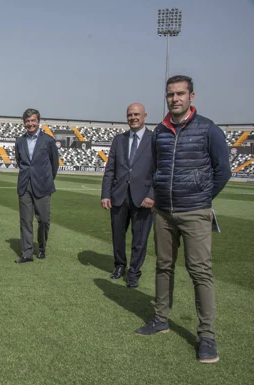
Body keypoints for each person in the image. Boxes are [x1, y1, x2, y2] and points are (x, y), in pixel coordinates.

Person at [135, 75, 231, 364]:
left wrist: (202, 198)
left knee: (199, 271)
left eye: (180, 93)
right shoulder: (160, 132)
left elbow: (223, 170)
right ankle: (161, 318)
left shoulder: (208, 129)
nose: (175, 98)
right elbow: (155, 168)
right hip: (163, 212)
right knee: (164, 266)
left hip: (195, 213)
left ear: (192, 96)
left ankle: (207, 336)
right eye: (170, 94)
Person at [101, 103, 154, 288]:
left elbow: (160, 170)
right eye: (130, 114)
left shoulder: (153, 139)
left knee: (140, 238)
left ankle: (134, 272)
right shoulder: (119, 140)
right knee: (118, 235)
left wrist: (152, 195)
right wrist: (106, 193)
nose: (133, 117)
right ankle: (119, 266)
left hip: (143, 198)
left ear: (145, 116)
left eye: (136, 114)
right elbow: (110, 169)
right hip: (119, 195)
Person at [14, 108, 59, 263]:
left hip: (43, 185)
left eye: (33, 120)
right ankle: (27, 253)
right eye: (27, 121)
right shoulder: (19, 141)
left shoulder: (48, 140)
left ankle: (41, 247)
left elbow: (54, 163)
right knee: (25, 220)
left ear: (38, 121)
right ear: (24, 123)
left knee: (44, 220)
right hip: (25, 185)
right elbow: (20, 161)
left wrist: (46, 179)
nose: (30, 124)